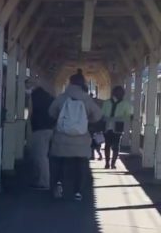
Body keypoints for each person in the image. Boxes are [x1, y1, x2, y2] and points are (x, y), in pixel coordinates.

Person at [48, 71, 103, 201]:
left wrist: (61, 120)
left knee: (59, 163)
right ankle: (77, 192)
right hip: (81, 140)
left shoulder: (62, 97)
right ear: (82, 83)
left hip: (62, 138)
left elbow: (51, 112)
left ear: (70, 82)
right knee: (81, 165)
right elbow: (98, 115)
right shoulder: (86, 98)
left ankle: (59, 185)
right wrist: (86, 120)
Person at [27, 79, 55, 190]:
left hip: (39, 129)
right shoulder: (48, 96)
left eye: (27, 85)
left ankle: (44, 182)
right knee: (41, 155)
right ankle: (40, 180)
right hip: (48, 128)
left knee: (40, 156)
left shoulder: (34, 96)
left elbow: (31, 112)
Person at [102, 86, 133, 170]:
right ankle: (107, 163)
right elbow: (102, 114)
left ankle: (113, 163)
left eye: (121, 93)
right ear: (114, 93)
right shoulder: (106, 103)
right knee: (107, 145)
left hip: (118, 127)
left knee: (116, 146)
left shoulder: (125, 104)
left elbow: (129, 116)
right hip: (107, 127)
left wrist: (118, 118)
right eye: (118, 92)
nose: (120, 94)